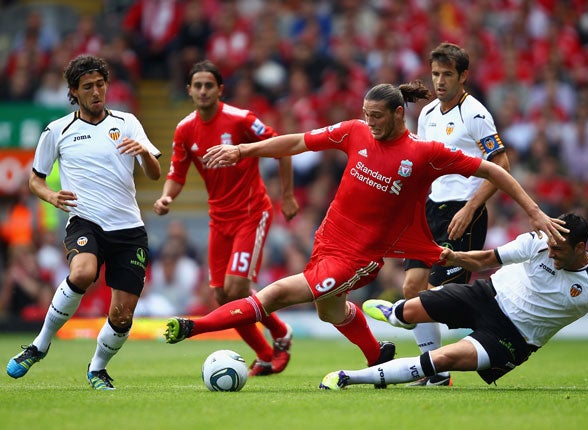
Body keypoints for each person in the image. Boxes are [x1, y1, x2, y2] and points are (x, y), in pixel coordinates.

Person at [163, 81, 566, 389]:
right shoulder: (354, 131)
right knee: (329, 311)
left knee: (275, 295)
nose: (369, 122)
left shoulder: (424, 154)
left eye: (377, 116)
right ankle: (377, 353)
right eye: (366, 114)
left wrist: (533, 212)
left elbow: (494, 168)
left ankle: (192, 327)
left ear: (397, 114)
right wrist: (244, 151)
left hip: (359, 257)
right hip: (328, 239)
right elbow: (300, 142)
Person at [319, 213, 588, 390]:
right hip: (486, 296)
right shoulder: (538, 241)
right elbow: (487, 259)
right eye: (550, 246)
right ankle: (398, 314)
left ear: (580, 247)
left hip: (512, 337)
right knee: (410, 307)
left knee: (441, 359)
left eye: (558, 250)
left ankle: (349, 378)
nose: (550, 252)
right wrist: (455, 257)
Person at [5, 55, 162, 390]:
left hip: (129, 229)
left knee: (122, 316)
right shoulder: (57, 130)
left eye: (101, 84)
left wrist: (145, 153)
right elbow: (35, 179)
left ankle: (97, 368)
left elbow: (155, 172)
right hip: (85, 221)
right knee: (83, 272)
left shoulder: (128, 122)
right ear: (73, 91)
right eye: (88, 86)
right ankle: (39, 345)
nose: (96, 92)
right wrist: (52, 197)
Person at [152, 60, 299, 376]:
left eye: (209, 85)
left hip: (251, 214)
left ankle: (281, 333)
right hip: (218, 219)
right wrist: (167, 196)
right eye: (197, 86)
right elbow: (177, 174)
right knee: (221, 297)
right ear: (189, 90)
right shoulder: (184, 129)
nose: (203, 91)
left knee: (235, 288)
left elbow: (283, 148)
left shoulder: (240, 119)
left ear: (220, 89)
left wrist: (286, 195)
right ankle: (266, 351)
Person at [401, 42, 511, 386]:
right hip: (430, 209)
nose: (439, 81)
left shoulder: (476, 115)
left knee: (434, 293)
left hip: (464, 212)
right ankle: (437, 374)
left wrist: (471, 207)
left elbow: (502, 165)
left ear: (463, 76)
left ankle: (494, 338)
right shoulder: (428, 113)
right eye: (435, 74)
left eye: (447, 74)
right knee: (411, 288)